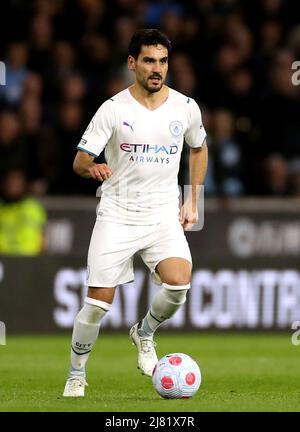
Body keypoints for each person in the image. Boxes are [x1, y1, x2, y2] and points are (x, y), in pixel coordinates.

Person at [63, 29, 208, 397]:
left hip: (162, 213)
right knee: (97, 304)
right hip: (117, 213)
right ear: (132, 63)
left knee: (179, 283)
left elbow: (199, 147)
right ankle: (76, 373)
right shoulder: (113, 109)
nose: (156, 68)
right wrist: (91, 168)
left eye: (162, 61)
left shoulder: (186, 107)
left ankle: (144, 332)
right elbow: (80, 160)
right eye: (148, 60)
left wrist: (193, 200)